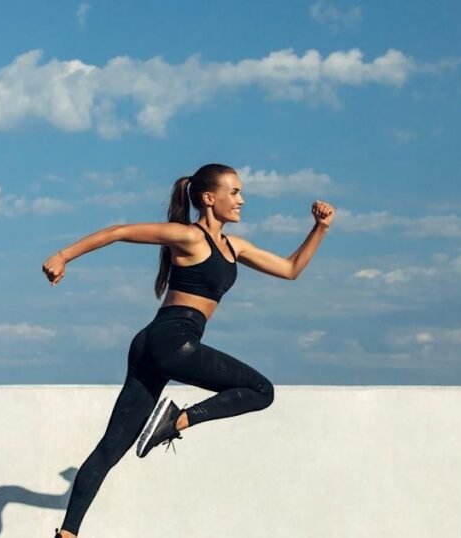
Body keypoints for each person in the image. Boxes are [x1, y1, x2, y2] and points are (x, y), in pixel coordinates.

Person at [41, 163, 335, 537]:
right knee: (262, 391)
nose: (242, 200)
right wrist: (62, 256)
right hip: (172, 341)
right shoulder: (189, 237)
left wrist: (320, 228)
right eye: (235, 192)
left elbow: (291, 268)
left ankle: (67, 534)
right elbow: (119, 232)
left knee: (109, 449)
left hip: (150, 343)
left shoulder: (235, 246)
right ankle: (176, 421)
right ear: (210, 199)